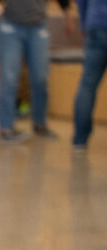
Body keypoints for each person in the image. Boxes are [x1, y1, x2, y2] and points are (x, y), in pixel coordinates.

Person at [0, 0, 75, 143]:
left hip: (38, 26)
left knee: (41, 78)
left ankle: (40, 124)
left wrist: (68, 16)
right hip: (11, 25)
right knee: (9, 78)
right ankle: (6, 128)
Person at [72, 0, 107, 149]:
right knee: (87, 86)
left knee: (87, 86)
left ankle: (80, 140)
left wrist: (85, 22)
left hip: (95, 24)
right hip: (95, 24)